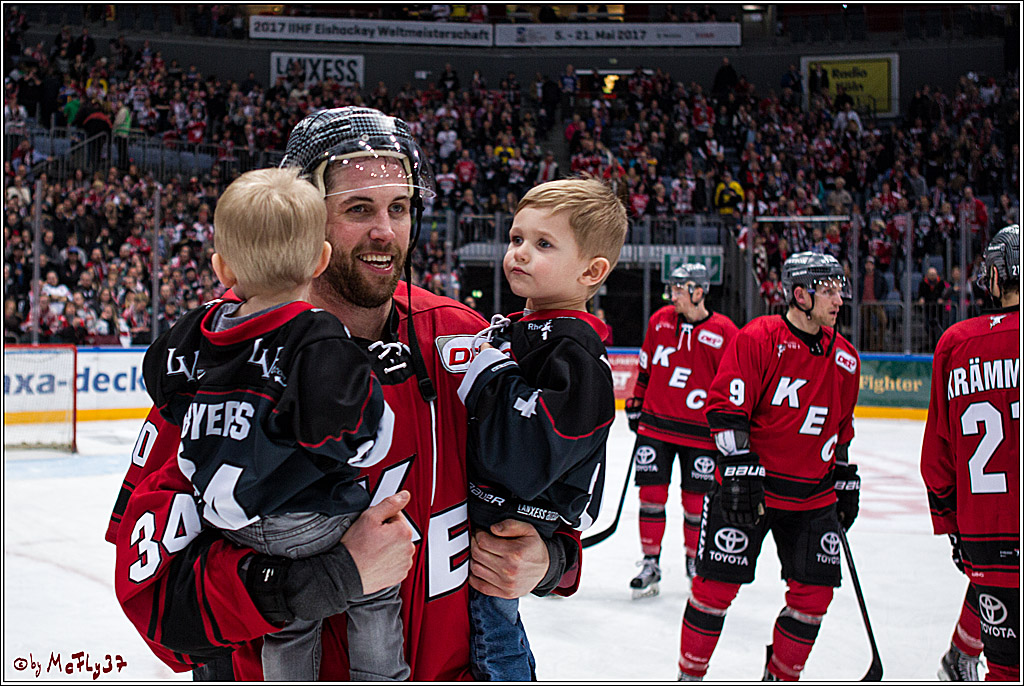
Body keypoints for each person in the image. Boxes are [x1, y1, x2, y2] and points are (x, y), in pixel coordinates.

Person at [105, 106, 583, 681]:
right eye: (359, 209)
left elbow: (538, 488)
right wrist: (318, 581)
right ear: (307, 223)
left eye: (399, 208)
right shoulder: (220, 357)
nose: (386, 231)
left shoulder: (458, 336)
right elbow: (154, 600)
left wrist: (549, 559)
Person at [140, 167, 408, 681]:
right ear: (321, 259)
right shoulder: (317, 335)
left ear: (222, 267)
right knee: (377, 584)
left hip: (230, 526)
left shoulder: (196, 330)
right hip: (307, 520)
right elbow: (359, 437)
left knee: (287, 625)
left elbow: (163, 384)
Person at [458, 178, 625, 678]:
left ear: (591, 271)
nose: (520, 253)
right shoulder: (530, 332)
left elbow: (525, 460)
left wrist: (491, 372)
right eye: (516, 238)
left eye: (544, 244)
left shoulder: (575, 352)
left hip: (504, 533)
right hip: (485, 527)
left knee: (493, 641)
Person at [678, 253, 861, 681]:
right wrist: (738, 467)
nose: (838, 300)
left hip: (813, 496)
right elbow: (726, 411)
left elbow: (841, 430)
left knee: (814, 596)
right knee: (713, 589)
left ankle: (780, 675)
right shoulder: (759, 337)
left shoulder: (846, 358)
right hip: (751, 491)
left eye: (840, 290)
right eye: (828, 290)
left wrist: (844, 477)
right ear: (800, 295)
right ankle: (690, 675)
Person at [921, 225, 1019, 682]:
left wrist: (953, 525)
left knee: (1005, 669)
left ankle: (961, 655)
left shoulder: (955, 343)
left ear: (994, 278)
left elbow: (936, 456)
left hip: (983, 530)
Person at [624, 263, 739, 598]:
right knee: (651, 497)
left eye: (678, 289)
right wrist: (637, 401)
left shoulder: (725, 330)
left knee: (695, 502)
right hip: (656, 425)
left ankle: (694, 561)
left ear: (698, 292)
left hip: (701, 433)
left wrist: (730, 419)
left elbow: (733, 381)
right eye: (671, 289)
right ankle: (650, 562)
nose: (672, 296)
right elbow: (646, 366)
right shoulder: (660, 320)